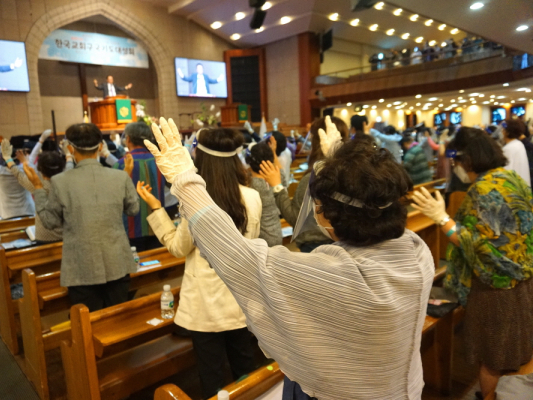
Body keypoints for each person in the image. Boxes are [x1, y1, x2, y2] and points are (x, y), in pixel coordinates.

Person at [144, 117, 434, 400]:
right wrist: (342, 164)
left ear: (335, 215)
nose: (315, 211)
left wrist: (185, 180)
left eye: (318, 205)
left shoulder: (338, 275)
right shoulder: (417, 251)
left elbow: (238, 256)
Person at [136, 127, 262, 399]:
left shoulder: (195, 203)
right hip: (243, 297)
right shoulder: (252, 197)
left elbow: (178, 248)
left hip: (207, 304)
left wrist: (157, 209)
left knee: (212, 375)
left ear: (199, 159)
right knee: (246, 368)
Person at [412, 127, 533, 400]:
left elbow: (480, 245)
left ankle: (490, 396)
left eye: (456, 160)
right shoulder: (510, 177)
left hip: (496, 287)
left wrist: (442, 219)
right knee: (513, 346)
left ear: (468, 160)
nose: (454, 166)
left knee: (492, 353)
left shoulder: (484, 190)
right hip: (523, 277)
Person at [24, 123, 138, 312]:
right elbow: (133, 209)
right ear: (100, 146)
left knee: (87, 326)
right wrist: (125, 180)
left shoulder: (60, 181)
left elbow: (50, 221)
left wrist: (38, 187)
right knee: (117, 320)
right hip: (117, 261)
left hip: (81, 266)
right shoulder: (120, 177)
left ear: (70, 148)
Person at [260, 116, 346, 253]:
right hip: (342, 242)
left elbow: (296, 218)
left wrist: (277, 186)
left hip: (316, 243)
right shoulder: (349, 172)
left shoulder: (315, 176)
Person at [113, 122, 166, 251]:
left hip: (131, 229)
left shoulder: (121, 164)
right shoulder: (161, 161)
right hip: (160, 226)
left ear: (128, 139)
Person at [6, 145, 70, 244]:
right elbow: (70, 166)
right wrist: (69, 155)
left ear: (40, 169)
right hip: (67, 235)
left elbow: (18, 174)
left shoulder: (37, 185)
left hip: (45, 236)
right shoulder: (67, 181)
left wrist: (8, 158)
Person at [245, 141, 283, 247]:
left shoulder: (251, 185)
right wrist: (273, 152)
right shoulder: (278, 179)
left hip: (261, 239)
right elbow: (279, 168)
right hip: (277, 233)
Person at [502, 119, 531, 186]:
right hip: (522, 188)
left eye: (503, 129)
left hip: (513, 189)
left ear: (506, 132)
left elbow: (505, 172)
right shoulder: (518, 144)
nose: (501, 132)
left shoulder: (509, 148)